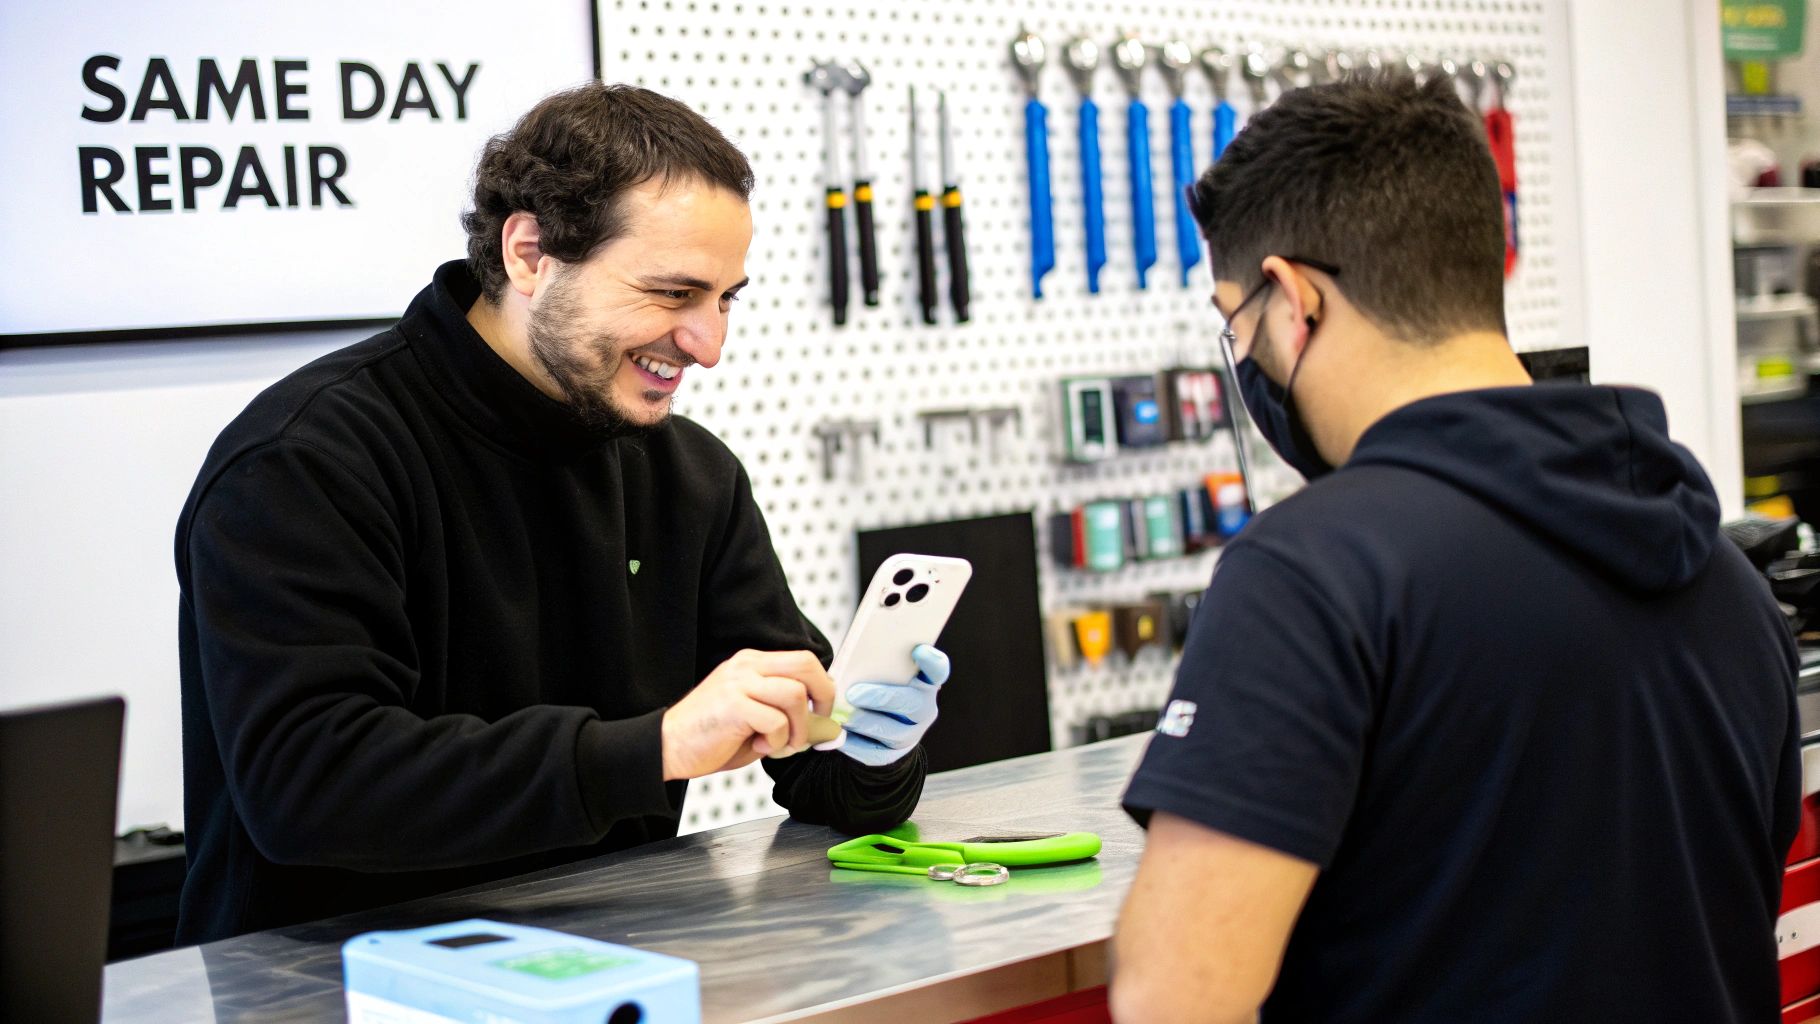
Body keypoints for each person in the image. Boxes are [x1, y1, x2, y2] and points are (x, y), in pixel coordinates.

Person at [173, 83, 947, 944]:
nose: (709, 345)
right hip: (331, 986)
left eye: (726, 299)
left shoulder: (688, 476)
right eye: (672, 293)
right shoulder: (307, 460)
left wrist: (869, 746)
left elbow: (821, 782)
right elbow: (311, 787)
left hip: (611, 967)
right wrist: (650, 749)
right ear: (531, 253)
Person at [1114, 73, 1799, 1022]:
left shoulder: (1311, 574)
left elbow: (1175, 998)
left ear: (1294, 298)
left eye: (1239, 324)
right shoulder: (1725, 576)